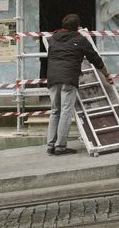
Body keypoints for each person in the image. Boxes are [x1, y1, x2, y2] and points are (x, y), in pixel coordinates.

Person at [45, 13, 110, 155]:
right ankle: (60, 146)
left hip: (52, 78)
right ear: (77, 27)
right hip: (68, 78)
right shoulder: (79, 39)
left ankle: (50, 145)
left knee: (55, 111)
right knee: (65, 111)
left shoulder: (53, 38)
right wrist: (106, 75)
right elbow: (95, 59)